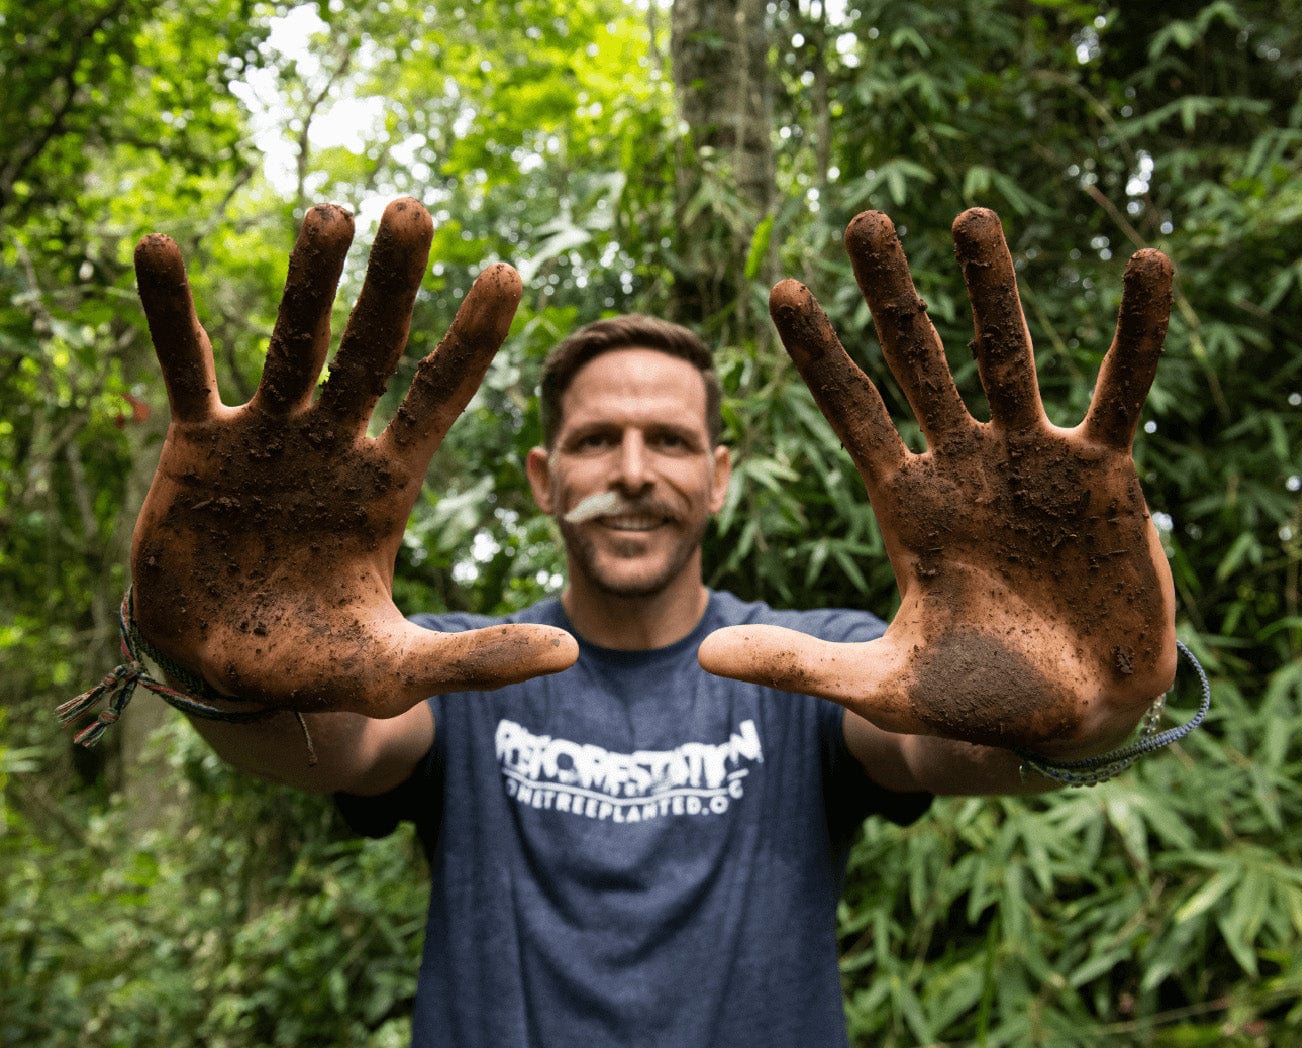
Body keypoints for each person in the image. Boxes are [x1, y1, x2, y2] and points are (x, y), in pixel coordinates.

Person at [75, 196, 1188, 1046]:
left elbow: (935, 738)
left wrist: (1087, 713)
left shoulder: (816, 667)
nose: (632, 470)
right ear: (541, 479)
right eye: (595, 441)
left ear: (718, 477)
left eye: (666, 442)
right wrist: (211, 666)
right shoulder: (454, 668)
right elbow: (342, 742)